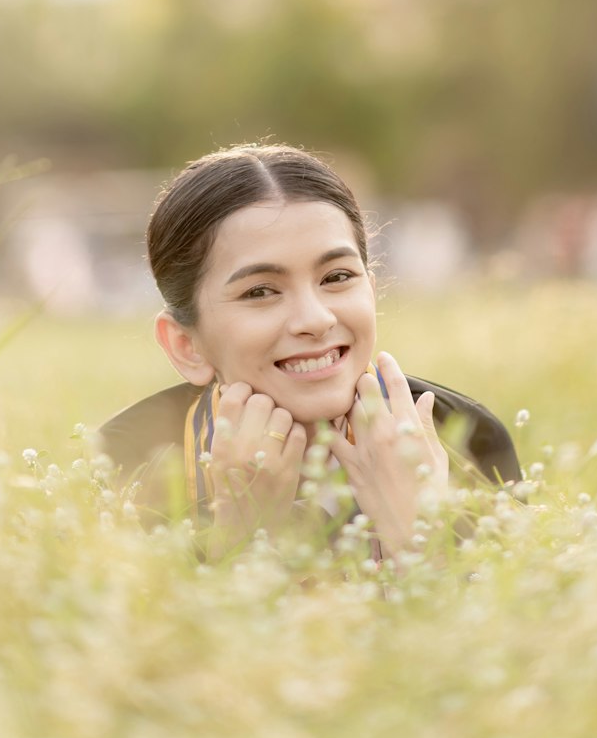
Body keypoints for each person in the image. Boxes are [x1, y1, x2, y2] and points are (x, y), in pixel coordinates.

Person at [98, 144, 519, 557]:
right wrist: (237, 541)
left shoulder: (468, 439)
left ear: (371, 293)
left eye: (337, 277)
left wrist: (422, 539)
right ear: (185, 345)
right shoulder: (121, 470)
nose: (316, 319)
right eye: (260, 291)